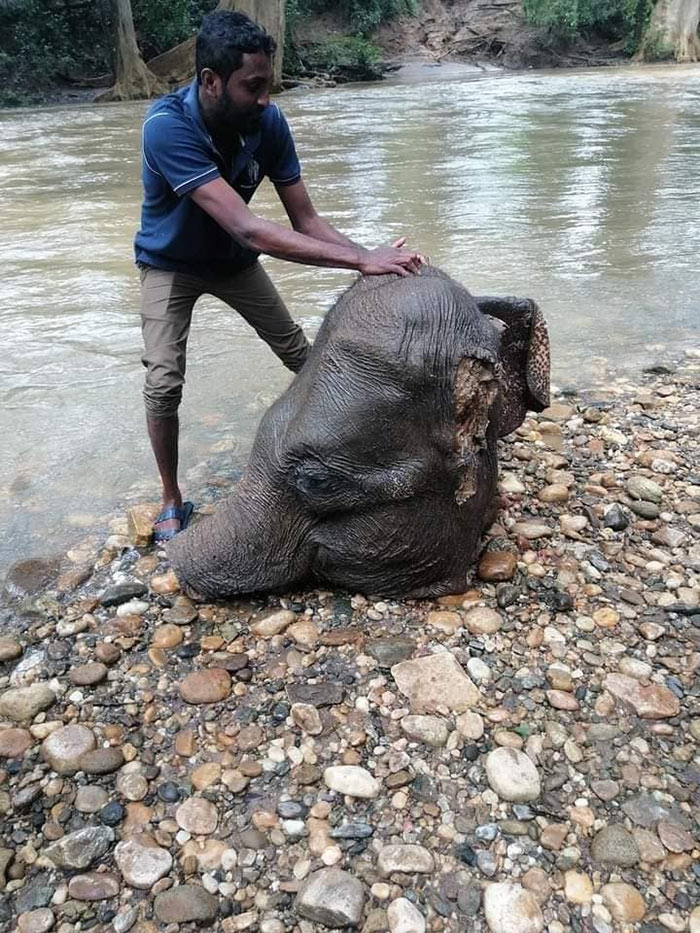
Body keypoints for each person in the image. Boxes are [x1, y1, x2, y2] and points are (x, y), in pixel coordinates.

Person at [134, 9, 422, 542]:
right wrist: (361, 262)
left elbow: (305, 220)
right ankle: (172, 498)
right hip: (170, 264)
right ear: (210, 82)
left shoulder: (267, 123)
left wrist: (374, 256)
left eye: (269, 84)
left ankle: (352, 448)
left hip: (233, 264)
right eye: (254, 86)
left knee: (301, 354)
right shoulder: (167, 127)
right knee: (163, 380)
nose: (266, 99)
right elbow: (249, 227)